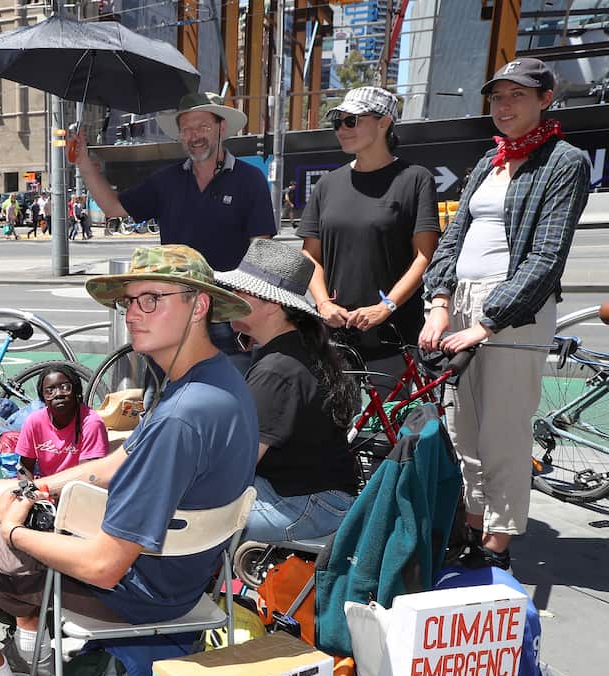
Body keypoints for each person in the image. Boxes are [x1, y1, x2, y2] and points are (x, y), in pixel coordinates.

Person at [0, 245, 256, 676]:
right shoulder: (217, 381)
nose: (134, 314)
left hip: (135, 594)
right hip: (176, 574)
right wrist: (37, 489)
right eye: (129, 302)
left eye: (151, 299)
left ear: (198, 306)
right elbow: (120, 463)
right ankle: (33, 648)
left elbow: (102, 566)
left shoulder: (182, 415)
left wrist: (13, 532)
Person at [420, 58, 590, 571]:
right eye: (497, 96)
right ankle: (471, 523)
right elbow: (453, 237)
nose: (504, 105)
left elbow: (545, 256)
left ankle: (497, 542)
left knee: (504, 430)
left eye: (518, 95)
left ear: (546, 99)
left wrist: (485, 323)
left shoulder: (565, 161)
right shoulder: (489, 161)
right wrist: (439, 303)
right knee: (461, 426)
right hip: (464, 302)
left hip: (513, 309)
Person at [71, 91, 277, 370]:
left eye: (203, 126)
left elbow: (261, 251)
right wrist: (83, 163)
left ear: (222, 128)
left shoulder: (249, 180)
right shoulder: (166, 181)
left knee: (226, 397)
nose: (195, 135)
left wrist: (251, 314)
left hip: (226, 317)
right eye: (187, 129)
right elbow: (114, 208)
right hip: (171, 313)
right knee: (162, 395)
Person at [298, 86, 441, 393]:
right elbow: (310, 255)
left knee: (394, 432)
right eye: (338, 122)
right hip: (336, 336)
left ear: (384, 121)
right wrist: (323, 303)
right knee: (333, 431)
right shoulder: (327, 184)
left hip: (395, 335)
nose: (342, 129)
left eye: (352, 121)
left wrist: (385, 306)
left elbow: (425, 256)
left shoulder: (415, 179)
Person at [220, 239, 359, 542]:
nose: (231, 298)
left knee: (186, 523)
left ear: (272, 304)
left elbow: (236, 465)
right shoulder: (295, 350)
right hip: (313, 495)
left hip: (308, 504)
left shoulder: (277, 369)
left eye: (240, 291)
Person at [14, 365, 108, 478]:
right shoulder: (34, 422)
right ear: (43, 397)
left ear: (76, 390)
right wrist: (29, 490)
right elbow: (24, 466)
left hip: (78, 488)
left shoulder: (91, 423)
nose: (58, 394)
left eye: (65, 387)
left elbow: (87, 475)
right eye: (50, 391)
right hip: (45, 489)